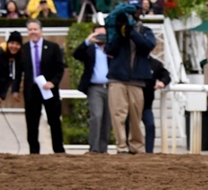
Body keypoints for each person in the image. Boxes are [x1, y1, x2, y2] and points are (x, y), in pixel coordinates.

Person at [105, 0, 156, 154]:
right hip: (117, 78)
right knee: (118, 114)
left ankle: (136, 146)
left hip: (137, 80)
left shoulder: (146, 30)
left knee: (135, 116)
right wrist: (121, 33)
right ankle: (121, 147)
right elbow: (110, 50)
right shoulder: (116, 31)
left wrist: (131, 32)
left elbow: (148, 47)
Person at [13, 19, 65, 154]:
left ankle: (58, 151)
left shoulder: (53, 47)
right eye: (30, 29)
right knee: (32, 123)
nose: (32, 32)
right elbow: (18, 72)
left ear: (41, 31)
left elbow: (60, 68)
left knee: (54, 122)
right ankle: (34, 153)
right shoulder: (23, 49)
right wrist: (15, 90)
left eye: (35, 29)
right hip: (32, 91)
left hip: (49, 90)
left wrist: (53, 82)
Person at [73, 24, 111, 154]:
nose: (101, 37)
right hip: (95, 87)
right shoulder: (89, 49)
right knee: (97, 115)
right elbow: (76, 54)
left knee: (107, 119)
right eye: (98, 34)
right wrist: (87, 41)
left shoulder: (111, 49)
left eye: (103, 34)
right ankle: (94, 148)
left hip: (111, 87)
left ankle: (103, 149)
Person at [141, 57, 170, 153]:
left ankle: (149, 152)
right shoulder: (130, 61)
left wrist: (163, 82)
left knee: (150, 125)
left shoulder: (155, 64)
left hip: (146, 105)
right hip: (131, 104)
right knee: (129, 127)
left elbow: (166, 75)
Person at [0, 30, 22, 105]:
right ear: (8, 43)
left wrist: (2, 96)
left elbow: (8, 79)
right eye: (12, 43)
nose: (14, 46)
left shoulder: (16, 58)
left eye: (17, 44)